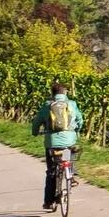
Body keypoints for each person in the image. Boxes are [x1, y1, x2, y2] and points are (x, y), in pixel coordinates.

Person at [30, 82, 84, 210]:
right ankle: (71, 175)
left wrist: (35, 132)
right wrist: (76, 130)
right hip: (69, 140)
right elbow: (80, 120)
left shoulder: (47, 106)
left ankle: (49, 201)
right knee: (69, 155)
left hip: (52, 143)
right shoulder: (72, 104)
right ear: (65, 93)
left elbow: (37, 122)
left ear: (52, 93)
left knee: (51, 171)